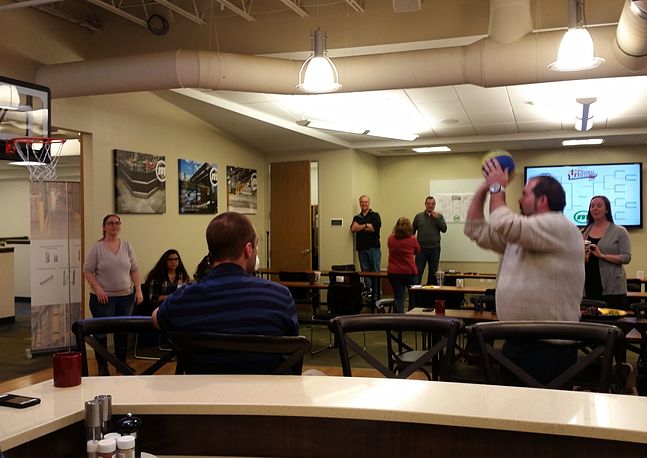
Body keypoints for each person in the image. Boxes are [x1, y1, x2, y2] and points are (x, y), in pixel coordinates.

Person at [464, 159, 584, 385]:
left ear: (542, 200)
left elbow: (504, 223)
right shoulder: (526, 233)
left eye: (525, 194)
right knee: (516, 412)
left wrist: (497, 187)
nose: (519, 199)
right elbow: (475, 228)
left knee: (543, 416)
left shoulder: (559, 226)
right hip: (519, 339)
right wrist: (485, 186)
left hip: (549, 346)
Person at [152, 211, 299, 374]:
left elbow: (156, 319)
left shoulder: (185, 298)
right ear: (248, 249)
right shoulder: (279, 296)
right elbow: (292, 344)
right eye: (256, 246)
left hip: (205, 396)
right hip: (266, 395)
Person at [83, 214, 143, 376]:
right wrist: (98, 289)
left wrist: (138, 289)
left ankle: (121, 363)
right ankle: (103, 366)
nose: (114, 226)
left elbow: (135, 269)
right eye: (110, 223)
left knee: (121, 331)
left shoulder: (127, 246)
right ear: (104, 227)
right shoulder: (97, 248)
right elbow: (87, 271)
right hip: (103, 299)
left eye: (117, 223)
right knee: (101, 332)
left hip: (125, 297)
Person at [582, 195, 631, 309]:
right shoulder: (584, 231)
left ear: (607, 210)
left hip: (612, 287)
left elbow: (626, 257)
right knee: (591, 324)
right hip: (588, 286)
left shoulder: (620, 231)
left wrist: (602, 256)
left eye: (599, 206)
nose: (595, 208)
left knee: (612, 323)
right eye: (592, 206)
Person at [387, 217, 420, 313]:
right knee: (413, 297)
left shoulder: (390, 238)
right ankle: (411, 319)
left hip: (393, 272)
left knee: (399, 297)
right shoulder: (413, 239)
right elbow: (417, 251)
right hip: (409, 272)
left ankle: (399, 323)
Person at [412, 196, 447, 285]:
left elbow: (444, 229)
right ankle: (416, 294)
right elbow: (412, 231)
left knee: (433, 273)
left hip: (435, 248)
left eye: (432, 204)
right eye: (428, 204)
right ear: (425, 204)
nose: (430, 206)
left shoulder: (439, 216)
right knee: (418, 272)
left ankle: (430, 296)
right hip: (421, 249)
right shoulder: (418, 216)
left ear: (435, 205)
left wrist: (437, 219)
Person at [351, 195, 382, 293]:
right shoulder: (357, 217)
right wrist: (365, 225)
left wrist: (359, 226)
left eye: (366, 202)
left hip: (374, 248)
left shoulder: (375, 215)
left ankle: (377, 294)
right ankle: (370, 292)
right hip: (361, 248)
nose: (364, 204)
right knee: (365, 272)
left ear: (369, 203)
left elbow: (373, 228)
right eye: (362, 202)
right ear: (360, 203)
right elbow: (353, 229)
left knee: (375, 272)